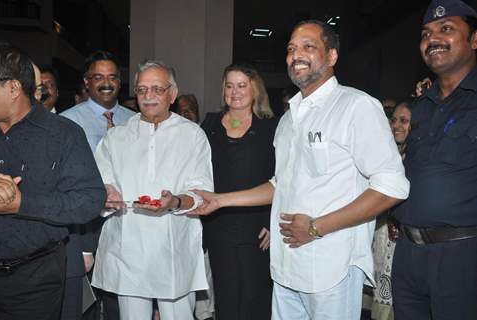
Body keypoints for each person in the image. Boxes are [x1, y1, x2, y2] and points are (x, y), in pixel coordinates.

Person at [190, 20, 409, 320]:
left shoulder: (355, 107)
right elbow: (280, 184)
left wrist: (318, 227)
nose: (296, 54)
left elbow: (392, 187)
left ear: (332, 56)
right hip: (285, 269)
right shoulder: (288, 120)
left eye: (308, 46)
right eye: (291, 48)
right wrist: (221, 200)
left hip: (331, 266)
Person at [91, 59, 213, 320]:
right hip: (128, 247)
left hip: (174, 246)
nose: (148, 96)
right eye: (142, 90)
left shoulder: (192, 135)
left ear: (173, 94)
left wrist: (176, 202)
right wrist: (106, 195)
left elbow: (202, 192)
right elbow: (101, 182)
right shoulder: (116, 136)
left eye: (157, 89)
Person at [0, 44, 106, 319]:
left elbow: (90, 200)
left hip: (34, 281)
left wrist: (22, 204)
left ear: (12, 88)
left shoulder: (63, 134)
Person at [392, 1, 477, 319]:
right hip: (408, 254)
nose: (434, 38)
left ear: (474, 40)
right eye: (426, 33)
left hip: (462, 257)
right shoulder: (419, 107)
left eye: (447, 29)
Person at [60, 50, 135, 320]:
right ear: (86, 81)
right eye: (98, 77)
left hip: (127, 222)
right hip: (86, 225)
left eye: (113, 77)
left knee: (122, 302)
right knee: (84, 304)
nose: (107, 83)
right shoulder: (67, 122)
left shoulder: (134, 120)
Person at [200, 63, 276, 319]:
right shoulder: (209, 124)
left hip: (257, 228)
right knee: (226, 299)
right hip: (217, 225)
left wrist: (272, 222)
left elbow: (282, 180)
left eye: (242, 85)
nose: (235, 92)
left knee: (256, 299)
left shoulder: (271, 128)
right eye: (229, 85)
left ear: (255, 89)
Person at [371, 100, 413, 320]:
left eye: (404, 121)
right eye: (394, 120)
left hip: (405, 239)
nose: (396, 125)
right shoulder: (385, 154)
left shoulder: (418, 157)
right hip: (380, 234)